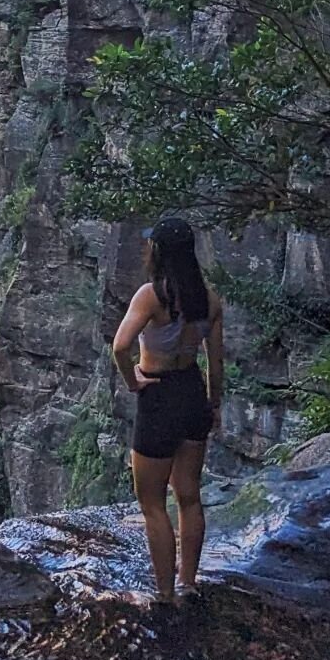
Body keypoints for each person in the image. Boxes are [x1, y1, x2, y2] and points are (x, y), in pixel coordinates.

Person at [111, 215, 224, 603]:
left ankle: (163, 594)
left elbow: (121, 346)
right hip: (192, 392)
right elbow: (217, 363)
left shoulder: (151, 295)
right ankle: (188, 583)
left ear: (158, 251)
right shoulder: (208, 300)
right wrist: (214, 406)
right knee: (189, 496)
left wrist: (132, 382)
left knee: (153, 504)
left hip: (159, 397)